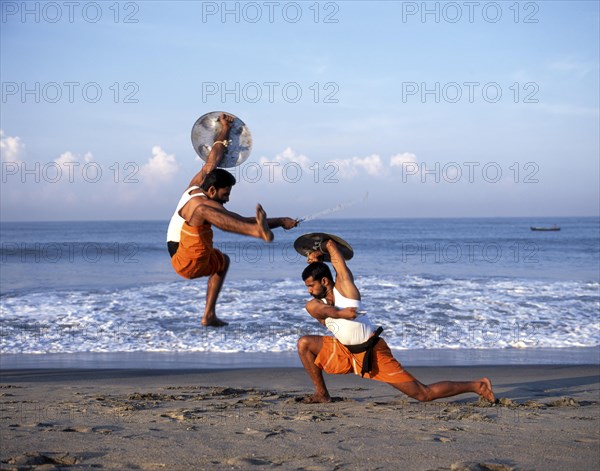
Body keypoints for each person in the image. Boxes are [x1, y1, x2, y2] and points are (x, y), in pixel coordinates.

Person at [297, 238, 496, 404]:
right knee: (304, 343)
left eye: (311, 286)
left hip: (371, 352)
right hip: (344, 350)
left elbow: (332, 246)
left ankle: (478, 385)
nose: (309, 290)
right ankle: (322, 394)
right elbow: (325, 310)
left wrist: (320, 250)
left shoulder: (345, 290)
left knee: (422, 394)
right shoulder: (314, 305)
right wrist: (340, 313)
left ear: (324, 281)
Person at [167, 113, 298, 327]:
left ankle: (208, 315)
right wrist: (259, 228)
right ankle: (256, 233)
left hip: (200, 259)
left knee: (223, 261)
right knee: (200, 210)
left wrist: (225, 128)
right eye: (225, 194)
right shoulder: (200, 204)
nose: (227, 199)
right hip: (185, 259)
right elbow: (237, 220)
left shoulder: (195, 186)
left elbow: (214, 158)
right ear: (211, 190)